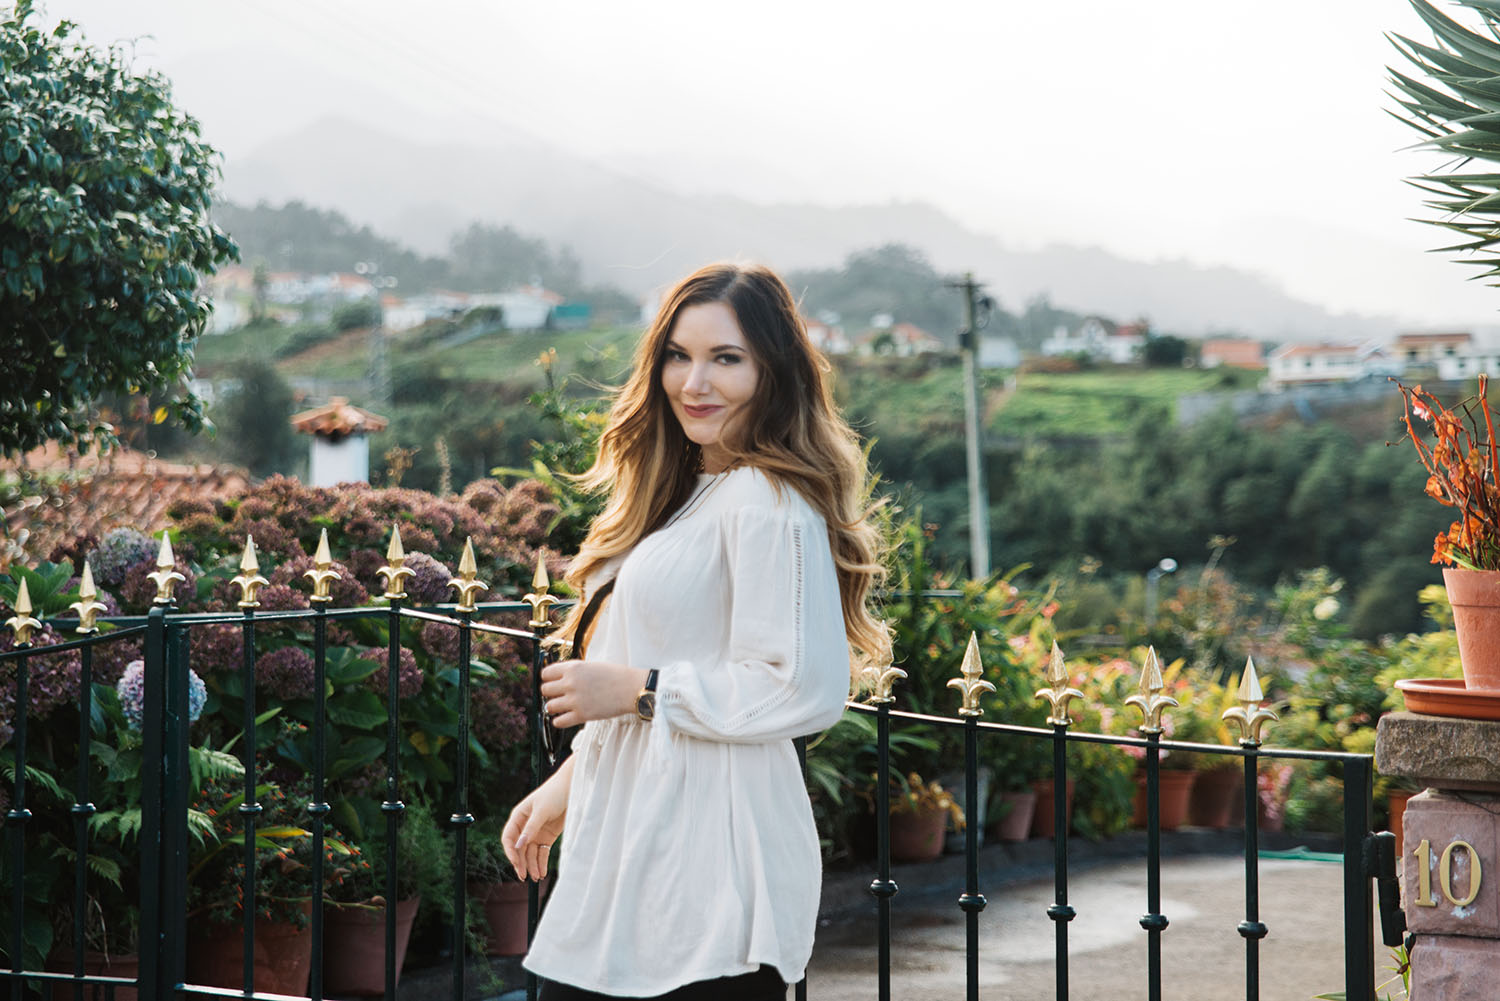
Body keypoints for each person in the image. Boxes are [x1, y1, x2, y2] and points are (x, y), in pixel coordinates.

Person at [501, 263, 890, 1000]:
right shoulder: (689, 497)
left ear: (774, 371)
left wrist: (638, 689)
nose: (694, 382)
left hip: (709, 870)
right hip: (632, 847)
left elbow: (801, 685)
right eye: (679, 355)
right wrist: (570, 778)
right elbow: (667, 662)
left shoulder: (766, 500)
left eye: (726, 358)